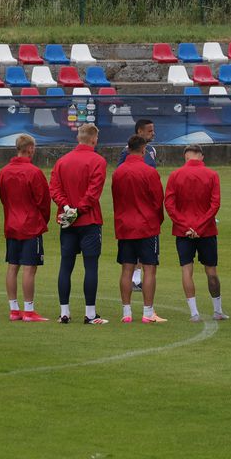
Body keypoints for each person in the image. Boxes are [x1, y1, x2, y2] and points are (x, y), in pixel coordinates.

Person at [50, 124, 109, 325]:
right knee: (90, 266)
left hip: (68, 220)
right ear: (94, 139)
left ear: (78, 138)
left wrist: (67, 207)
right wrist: (79, 210)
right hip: (89, 220)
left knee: (66, 265)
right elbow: (94, 192)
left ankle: (64, 312)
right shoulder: (98, 161)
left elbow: (54, 189)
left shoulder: (62, 161)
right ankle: (90, 314)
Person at [165, 144, 226, 322]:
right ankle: (218, 310)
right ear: (202, 156)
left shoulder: (175, 175)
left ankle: (194, 313)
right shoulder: (212, 175)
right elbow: (215, 204)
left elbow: (169, 204)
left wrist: (186, 226)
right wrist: (199, 227)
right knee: (211, 271)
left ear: (186, 157)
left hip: (183, 231)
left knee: (186, 270)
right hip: (206, 230)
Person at [112, 134, 166, 324]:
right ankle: (148, 312)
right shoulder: (149, 172)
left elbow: (116, 199)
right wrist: (158, 220)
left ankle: (126, 312)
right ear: (143, 150)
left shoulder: (118, 172)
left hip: (126, 225)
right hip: (146, 226)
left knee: (127, 268)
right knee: (149, 269)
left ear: (128, 150)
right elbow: (158, 200)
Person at [0, 134, 51, 322]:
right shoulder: (34, 172)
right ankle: (29, 310)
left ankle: (14, 309)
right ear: (30, 149)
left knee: (13, 266)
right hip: (30, 224)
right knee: (29, 268)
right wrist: (43, 220)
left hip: (12, 223)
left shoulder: (4, 171)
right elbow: (43, 201)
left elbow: (3, 198)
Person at [117, 119, 156, 292]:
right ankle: (134, 278)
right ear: (139, 132)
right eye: (149, 131)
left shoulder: (152, 151)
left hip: (147, 200)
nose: (153, 133)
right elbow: (120, 175)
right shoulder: (127, 152)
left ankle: (137, 278)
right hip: (134, 202)